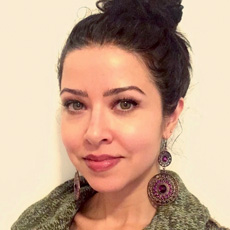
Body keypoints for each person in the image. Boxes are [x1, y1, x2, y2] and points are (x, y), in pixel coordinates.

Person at [12, 0, 229, 229]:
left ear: (171, 117)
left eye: (124, 104)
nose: (94, 133)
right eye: (76, 104)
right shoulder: (32, 222)